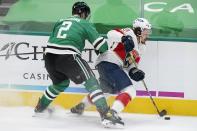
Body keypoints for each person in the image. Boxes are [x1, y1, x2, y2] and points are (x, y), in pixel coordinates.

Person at [34, 1, 124, 128]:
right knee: (91, 82)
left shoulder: (60, 21)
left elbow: (55, 39)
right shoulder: (85, 23)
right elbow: (102, 47)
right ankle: (106, 114)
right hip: (68, 56)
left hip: (49, 56)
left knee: (60, 84)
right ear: (84, 13)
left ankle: (40, 107)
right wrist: (101, 47)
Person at [71, 18, 152, 125]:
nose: (147, 35)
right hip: (109, 62)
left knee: (106, 91)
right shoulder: (129, 33)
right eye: (145, 32)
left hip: (108, 65)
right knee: (130, 90)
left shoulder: (142, 48)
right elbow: (110, 33)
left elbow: (130, 63)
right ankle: (111, 114)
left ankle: (81, 106)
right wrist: (124, 38)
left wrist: (134, 71)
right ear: (138, 31)